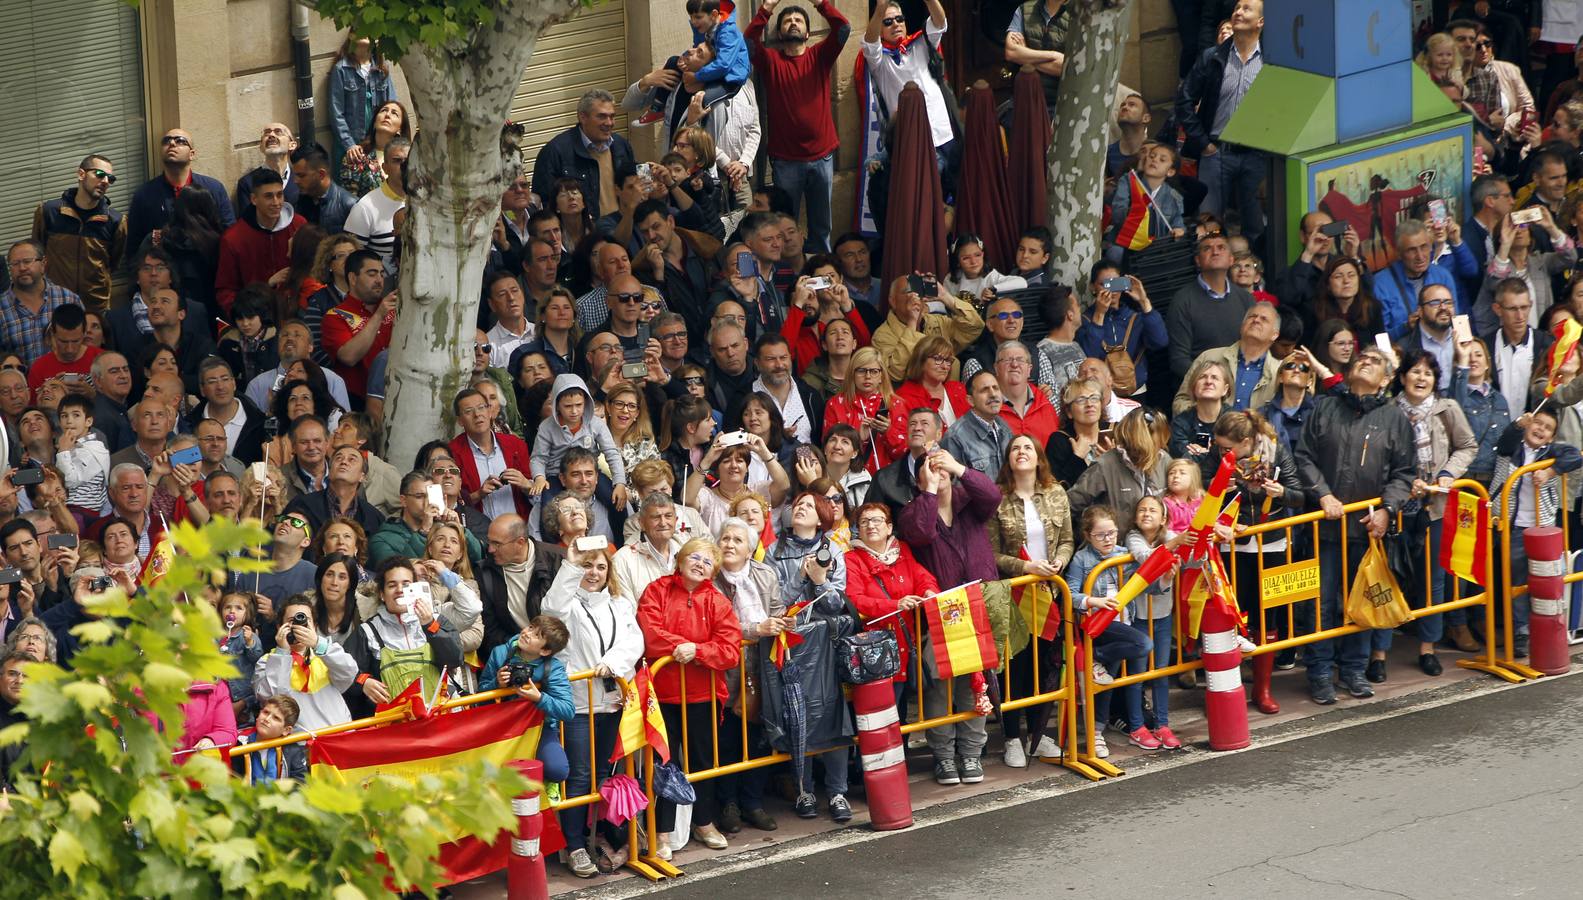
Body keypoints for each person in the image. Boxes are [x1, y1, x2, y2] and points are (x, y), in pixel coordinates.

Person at [1293, 345, 1415, 704]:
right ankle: (1319, 672)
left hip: (1367, 527)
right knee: (1322, 604)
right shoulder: (1325, 407)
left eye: (1375, 361)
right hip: (1324, 528)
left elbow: (1404, 473)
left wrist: (1387, 510)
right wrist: (1323, 494)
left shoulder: (1395, 418)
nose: (1365, 361)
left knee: (1363, 598)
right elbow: (1304, 456)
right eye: (1361, 357)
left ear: (1387, 379)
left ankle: (1354, 670)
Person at [896, 426, 999, 785]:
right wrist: (927, 490)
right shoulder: (913, 511)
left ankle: (971, 754)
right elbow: (921, 532)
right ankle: (944, 757)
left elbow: (993, 495)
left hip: (976, 607)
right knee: (940, 689)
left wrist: (958, 468)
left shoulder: (969, 502)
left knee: (975, 685)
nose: (938, 473)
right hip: (938, 614)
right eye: (931, 467)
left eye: (943, 468)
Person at [541, 539, 643, 873]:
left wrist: (613, 662)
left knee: (603, 774)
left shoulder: (619, 602)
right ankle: (572, 845)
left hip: (613, 703)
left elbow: (634, 640)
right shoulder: (568, 604)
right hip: (579, 706)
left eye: (600, 566)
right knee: (579, 776)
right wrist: (571, 564)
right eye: (588, 566)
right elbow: (551, 610)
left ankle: (595, 836)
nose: (594, 573)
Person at [636, 538, 741, 858]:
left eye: (707, 562)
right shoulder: (657, 590)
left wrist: (697, 651)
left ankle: (705, 822)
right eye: (693, 557)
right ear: (679, 560)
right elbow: (649, 634)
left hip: (702, 695)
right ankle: (663, 832)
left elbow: (730, 650)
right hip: (662, 695)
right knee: (663, 765)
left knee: (703, 762)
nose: (699, 564)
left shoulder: (718, 601)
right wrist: (681, 647)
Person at [1380, 350, 1476, 679]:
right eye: (1415, 372)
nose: (1422, 378)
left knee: (1432, 581)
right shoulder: (1387, 410)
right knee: (1386, 578)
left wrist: (1448, 473)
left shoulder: (1447, 408)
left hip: (1433, 508)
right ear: (1402, 376)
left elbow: (1467, 445)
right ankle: (1379, 654)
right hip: (1394, 508)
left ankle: (1428, 648)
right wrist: (1402, 486)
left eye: (1428, 373)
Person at [763, 492, 856, 820]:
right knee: (798, 717)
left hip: (827, 644)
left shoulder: (835, 552)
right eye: (797, 504)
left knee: (833, 715)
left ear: (821, 518)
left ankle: (838, 792)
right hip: (791, 647)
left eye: (808, 506)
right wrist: (802, 577)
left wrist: (819, 580)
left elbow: (836, 605)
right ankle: (804, 789)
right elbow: (775, 603)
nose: (800, 508)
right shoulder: (774, 551)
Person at [985, 434, 1073, 765]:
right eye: (1015, 448)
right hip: (1014, 594)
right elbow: (991, 553)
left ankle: (1038, 735)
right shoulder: (997, 499)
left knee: (1046, 666)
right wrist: (1026, 566)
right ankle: (1011, 738)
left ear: (1038, 457)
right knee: (1015, 669)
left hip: (1050, 593)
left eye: (1027, 447)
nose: (1021, 452)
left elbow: (1067, 539)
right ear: (1008, 459)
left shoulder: (1055, 492)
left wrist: (1059, 562)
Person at [744, 0, 849, 252]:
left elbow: (843, 29)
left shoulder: (820, 56)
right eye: (787, 21)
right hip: (786, 161)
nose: (793, 23)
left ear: (808, 33)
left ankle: (821, 273)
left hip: (822, 157)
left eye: (798, 20)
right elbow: (747, 42)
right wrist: (766, 8)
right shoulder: (771, 61)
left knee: (821, 228)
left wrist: (821, 4)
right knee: (783, 229)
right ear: (779, 33)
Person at [1173, 0, 1267, 248]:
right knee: (1209, 224)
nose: (1238, 12)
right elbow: (1184, 101)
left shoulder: (1271, 61)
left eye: (1247, 9)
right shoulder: (1211, 56)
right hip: (1216, 152)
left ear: (1261, 22)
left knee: (1256, 225)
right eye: (1237, 7)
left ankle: (1255, 278)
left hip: (1257, 154)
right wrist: (1203, 144)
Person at [1065, 504, 1155, 756]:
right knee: (1143, 644)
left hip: (1122, 623)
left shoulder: (1124, 554)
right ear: (1088, 535)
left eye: (1112, 533)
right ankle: (1095, 733)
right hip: (1098, 625)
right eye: (1101, 535)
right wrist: (1093, 601)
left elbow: (1146, 583)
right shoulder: (1082, 560)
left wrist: (1165, 578)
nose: (1107, 539)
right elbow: (1069, 595)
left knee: (1106, 684)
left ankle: (1096, 733)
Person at [342, 556, 466, 718]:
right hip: (395, 727)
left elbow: (455, 659)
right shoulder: (367, 631)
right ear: (381, 594)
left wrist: (430, 626)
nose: (400, 589)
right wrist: (363, 682)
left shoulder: (436, 620)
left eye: (406, 584)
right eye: (392, 585)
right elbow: (343, 672)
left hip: (440, 719)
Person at [860, 0, 956, 176]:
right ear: (880, 29)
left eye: (899, 19)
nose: (895, 24)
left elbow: (940, 23)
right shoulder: (880, 61)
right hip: (913, 141)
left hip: (943, 133)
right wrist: (880, 8)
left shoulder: (921, 43)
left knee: (953, 195)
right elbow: (869, 43)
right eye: (888, 22)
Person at [31, 154, 126, 313]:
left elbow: (112, 263)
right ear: (81, 174)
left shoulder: (116, 221)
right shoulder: (49, 212)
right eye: (100, 174)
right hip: (56, 304)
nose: (105, 181)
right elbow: (36, 254)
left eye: (111, 178)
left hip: (95, 307)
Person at [125, 128, 237, 258]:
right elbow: (134, 247)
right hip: (166, 272)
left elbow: (230, 234)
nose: (172, 143)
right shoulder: (144, 195)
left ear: (192, 154)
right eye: (166, 141)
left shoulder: (213, 188)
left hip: (207, 271)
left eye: (180, 141)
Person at [252, 594, 359, 730]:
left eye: (304, 620)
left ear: (314, 626)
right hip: (301, 744)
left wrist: (317, 644)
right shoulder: (267, 661)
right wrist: (282, 654)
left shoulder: (326, 652)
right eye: (291, 620)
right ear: (279, 626)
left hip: (339, 736)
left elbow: (349, 674)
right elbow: (272, 701)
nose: (298, 626)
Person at [532, 90, 637, 223]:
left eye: (612, 116)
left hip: (622, 227)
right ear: (583, 117)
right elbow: (545, 206)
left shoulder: (621, 145)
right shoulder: (555, 152)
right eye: (602, 116)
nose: (609, 123)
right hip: (584, 236)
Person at [214, 168, 305, 317]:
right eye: (268, 196)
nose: (276, 202)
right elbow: (225, 291)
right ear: (254, 199)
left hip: (296, 315)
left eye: (279, 195)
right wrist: (265, 287)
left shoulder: (299, 226)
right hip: (255, 320)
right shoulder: (233, 238)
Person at [1068, 407, 1169, 538]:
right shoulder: (1105, 466)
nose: (1159, 446)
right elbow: (1069, 506)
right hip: (1113, 552)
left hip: (1154, 549)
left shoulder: (1164, 460)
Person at [1475, 209, 1576, 335]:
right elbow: (1495, 281)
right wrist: (1505, 243)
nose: (1519, 230)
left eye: (1523, 225)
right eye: (1513, 227)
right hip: (1505, 341)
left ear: (1531, 235)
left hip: (1540, 338)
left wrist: (1551, 227)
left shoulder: (1541, 261)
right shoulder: (1495, 267)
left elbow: (1570, 257)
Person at [1166, 233, 1252, 378]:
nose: (1215, 251)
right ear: (1198, 261)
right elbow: (1179, 360)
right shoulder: (1183, 300)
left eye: (1221, 247)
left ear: (1231, 259)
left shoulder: (1246, 299)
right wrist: (1211, 380)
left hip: (1240, 384)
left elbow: (1255, 347)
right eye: (1207, 248)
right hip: (1199, 388)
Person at [1171, 302, 1281, 415]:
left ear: (1275, 335)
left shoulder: (1280, 373)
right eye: (1252, 316)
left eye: (1264, 319)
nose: (1256, 320)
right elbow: (1181, 401)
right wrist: (1205, 416)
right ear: (1242, 326)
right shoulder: (1209, 357)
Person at [1076, 268, 1167, 398]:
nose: (1111, 290)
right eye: (1104, 284)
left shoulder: (1134, 317)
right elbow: (1089, 356)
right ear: (1092, 287)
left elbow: (1160, 342)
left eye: (1115, 284)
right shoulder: (1084, 320)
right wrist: (1099, 315)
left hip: (1136, 390)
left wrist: (1143, 301)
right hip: (1101, 394)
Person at [0, 240, 82, 365]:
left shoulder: (68, 300)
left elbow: (85, 346)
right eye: (15, 263)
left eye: (27, 261)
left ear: (43, 264)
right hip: (23, 383)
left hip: (67, 381)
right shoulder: (2, 308)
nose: (22, 268)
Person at [328, 34, 399, 177]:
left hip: (378, 144)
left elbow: (393, 104)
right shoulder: (341, 69)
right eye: (359, 28)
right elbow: (336, 112)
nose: (364, 32)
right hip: (350, 146)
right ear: (351, 36)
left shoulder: (381, 68)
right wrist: (349, 144)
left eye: (369, 29)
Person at [1484, 278, 1554, 417]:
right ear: (1497, 309)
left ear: (1531, 305)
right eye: (1512, 309)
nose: (1520, 316)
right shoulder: (1485, 346)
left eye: (1524, 307)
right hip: (1497, 432)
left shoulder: (1547, 344)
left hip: (1535, 431)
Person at [342, 137, 409, 267]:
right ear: (385, 168)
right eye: (397, 161)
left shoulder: (428, 202)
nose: (404, 166)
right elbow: (352, 262)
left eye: (408, 161)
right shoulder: (364, 208)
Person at [338, 100, 412, 198]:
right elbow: (349, 200)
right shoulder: (357, 156)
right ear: (375, 121)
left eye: (394, 113)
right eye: (384, 110)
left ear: (400, 129)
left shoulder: (410, 158)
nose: (387, 115)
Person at [232, 695, 309, 784]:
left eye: (276, 718)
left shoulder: (293, 750)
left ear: (286, 730)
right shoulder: (241, 743)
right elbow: (235, 779)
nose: (267, 719)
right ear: (258, 715)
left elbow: (300, 785)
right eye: (265, 712)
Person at [289, 144, 356, 236]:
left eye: (301, 176)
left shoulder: (349, 205)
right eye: (295, 175)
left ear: (321, 174)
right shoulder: (295, 202)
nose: (295, 181)